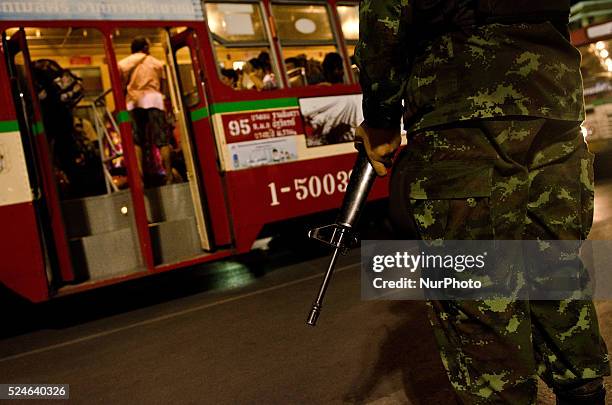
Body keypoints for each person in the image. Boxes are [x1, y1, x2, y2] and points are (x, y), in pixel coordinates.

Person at [354, 1, 610, 404]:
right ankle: (584, 388)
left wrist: (381, 114)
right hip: (554, 100)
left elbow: (383, 17)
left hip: (461, 105)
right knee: (555, 267)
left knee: (475, 286)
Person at [118, 36, 173, 185]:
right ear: (146, 48)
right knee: (162, 141)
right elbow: (164, 87)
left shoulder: (123, 64)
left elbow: (121, 86)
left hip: (133, 103)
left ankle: (139, 178)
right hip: (155, 101)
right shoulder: (157, 63)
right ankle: (168, 175)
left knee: (137, 141)